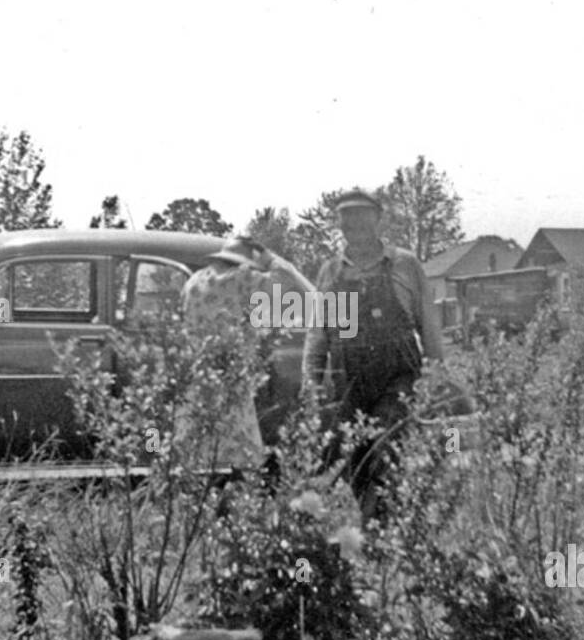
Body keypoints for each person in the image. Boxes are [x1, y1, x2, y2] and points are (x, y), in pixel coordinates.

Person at [301, 190, 445, 521]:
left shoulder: (405, 265)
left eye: (362, 216)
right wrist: (310, 379)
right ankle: (379, 526)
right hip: (347, 379)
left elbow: (429, 325)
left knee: (385, 446)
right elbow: (320, 332)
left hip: (398, 376)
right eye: (347, 217)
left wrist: (437, 378)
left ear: (378, 219)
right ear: (340, 224)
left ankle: (382, 531)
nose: (355, 224)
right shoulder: (332, 272)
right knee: (355, 459)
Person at [175, 235, 311, 475]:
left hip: (195, 381)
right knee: (241, 458)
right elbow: (293, 283)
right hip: (231, 379)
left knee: (194, 451)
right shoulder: (242, 280)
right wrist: (268, 257)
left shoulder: (193, 282)